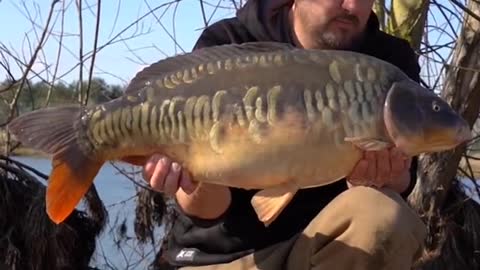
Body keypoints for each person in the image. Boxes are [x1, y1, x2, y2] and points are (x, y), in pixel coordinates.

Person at [142, 0, 427, 269]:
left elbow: (403, 180)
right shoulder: (229, 42)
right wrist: (191, 174)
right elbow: (207, 210)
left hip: (330, 250)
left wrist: (378, 178)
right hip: (224, 258)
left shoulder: (388, 63)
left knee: (380, 213)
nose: (352, 7)